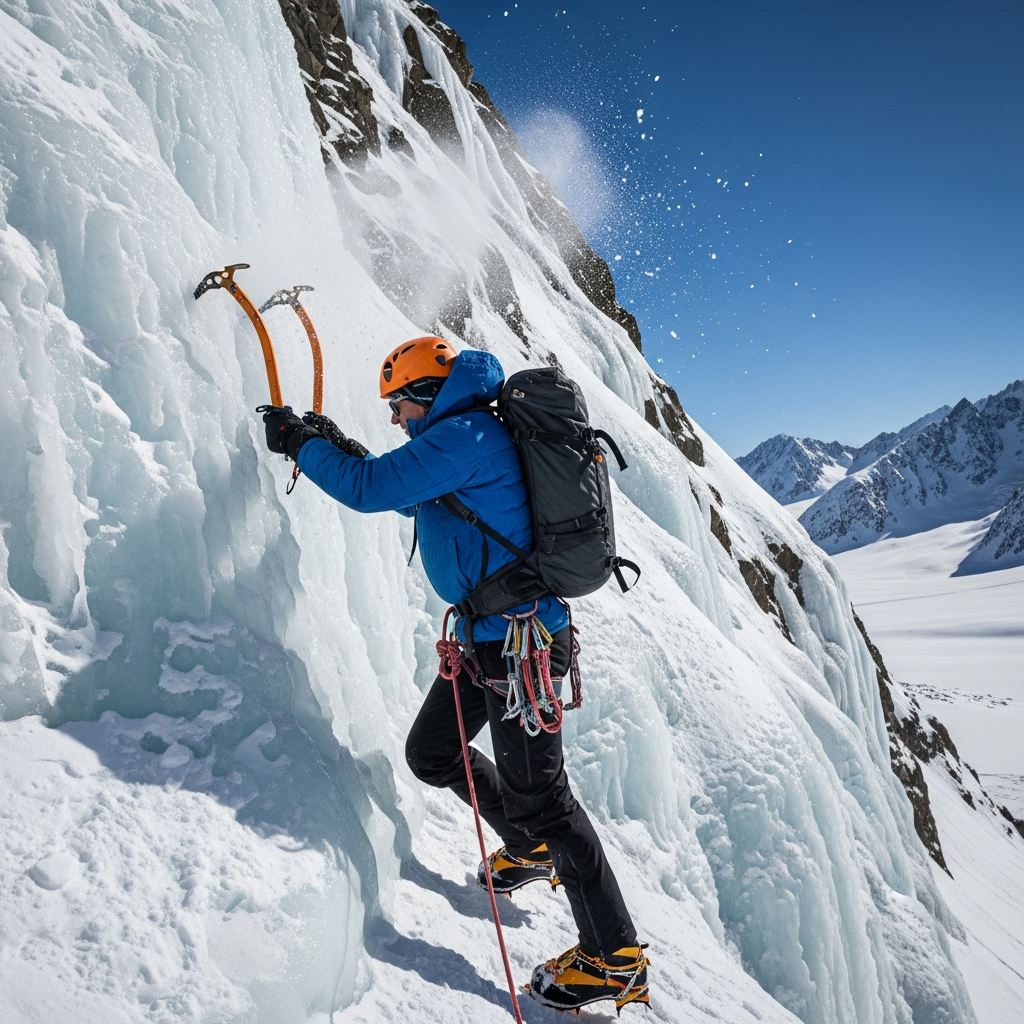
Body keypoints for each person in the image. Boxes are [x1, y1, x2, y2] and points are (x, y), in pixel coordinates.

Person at [261, 337, 649, 1012]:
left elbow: (370, 489)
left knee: (547, 801)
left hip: (519, 650)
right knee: (433, 753)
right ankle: (526, 846)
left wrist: (300, 442)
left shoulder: (466, 434)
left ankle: (613, 957)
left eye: (399, 404)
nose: (395, 418)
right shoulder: (461, 436)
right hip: (488, 642)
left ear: (428, 393)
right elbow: (407, 492)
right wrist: (336, 445)